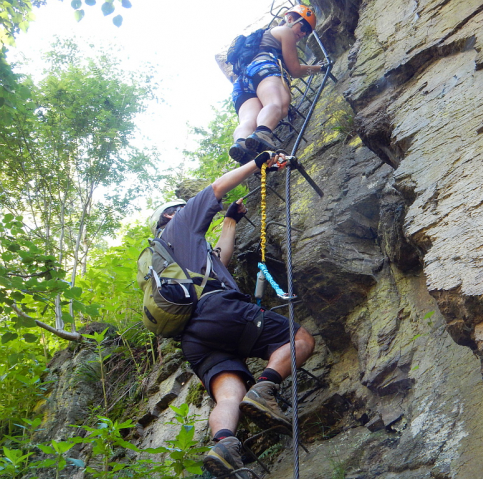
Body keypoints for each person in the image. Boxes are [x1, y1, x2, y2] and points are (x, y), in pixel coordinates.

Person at [148, 154, 316, 478]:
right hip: (219, 310)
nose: (185, 209)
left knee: (227, 395)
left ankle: (224, 444)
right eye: (180, 207)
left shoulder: (167, 261)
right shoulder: (179, 225)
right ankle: (265, 388)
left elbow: (220, 260)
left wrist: (230, 222)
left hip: (194, 340)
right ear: (171, 213)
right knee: (301, 339)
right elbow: (216, 187)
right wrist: (259, 161)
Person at [229, 4, 325, 164]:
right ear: (289, 18)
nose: (303, 33)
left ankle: (241, 144)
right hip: (263, 68)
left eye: (307, 32)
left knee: (248, 120)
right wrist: (319, 68)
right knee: (277, 104)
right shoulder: (284, 31)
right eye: (303, 27)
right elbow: (295, 70)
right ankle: (262, 134)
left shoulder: (260, 40)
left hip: (242, 82)